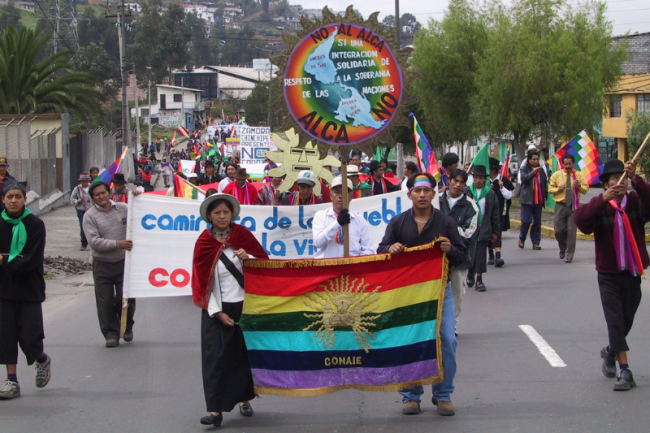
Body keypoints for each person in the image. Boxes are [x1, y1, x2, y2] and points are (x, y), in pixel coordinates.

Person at [377, 173, 465, 417]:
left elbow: (462, 254)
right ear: (410, 195)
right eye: (418, 191)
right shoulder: (397, 223)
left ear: (433, 194)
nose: (422, 195)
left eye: (427, 191)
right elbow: (381, 250)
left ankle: (443, 394)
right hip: (408, 295)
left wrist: (450, 249)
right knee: (409, 341)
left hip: (440, 292)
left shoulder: (445, 223)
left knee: (447, 340)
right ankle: (411, 396)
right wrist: (389, 248)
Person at [191, 193, 269, 427]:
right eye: (217, 213)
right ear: (210, 216)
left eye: (226, 212)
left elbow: (263, 264)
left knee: (241, 355)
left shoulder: (243, 236)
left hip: (245, 306)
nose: (222, 216)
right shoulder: (204, 242)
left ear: (232, 214)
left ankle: (244, 398)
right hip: (216, 309)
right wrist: (216, 312)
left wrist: (249, 258)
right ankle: (215, 410)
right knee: (215, 359)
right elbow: (200, 282)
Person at [574, 159, 650, 391]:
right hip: (608, 274)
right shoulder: (600, 205)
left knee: (626, 318)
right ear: (605, 184)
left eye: (623, 179)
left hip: (632, 272)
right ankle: (625, 371)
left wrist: (637, 179)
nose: (618, 184)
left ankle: (609, 352)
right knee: (615, 320)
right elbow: (581, 222)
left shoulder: (635, 202)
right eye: (613, 180)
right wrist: (602, 199)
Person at [0, 181, 51, 399]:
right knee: (6, 336)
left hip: (29, 289)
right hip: (3, 290)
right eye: (9, 196)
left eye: (17, 197)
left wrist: (3, 260)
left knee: (30, 337)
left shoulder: (35, 225)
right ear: (3, 199)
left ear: (25, 199)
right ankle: (12, 381)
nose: (13, 200)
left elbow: (32, 260)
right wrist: (11, 261)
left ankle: (41, 359)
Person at [83, 181, 137, 347]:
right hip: (102, 264)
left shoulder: (124, 209)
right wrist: (118, 243)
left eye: (103, 192)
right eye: (97, 195)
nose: (101, 196)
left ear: (109, 192)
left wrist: (138, 197)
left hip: (124, 262)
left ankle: (126, 326)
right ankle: (111, 333)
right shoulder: (89, 217)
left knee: (126, 297)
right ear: (93, 199)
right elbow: (94, 242)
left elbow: (140, 218)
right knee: (105, 300)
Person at [439, 169, 478, 328]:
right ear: (449, 180)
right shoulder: (436, 201)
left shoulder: (471, 206)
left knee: (457, 293)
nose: (458, 185)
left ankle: (452, 324)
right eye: (455, 181)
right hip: (436, 256)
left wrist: (450, 231)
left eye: (462, 182)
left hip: (460, 258)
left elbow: (470, 233)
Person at [312, 176, 374, 258]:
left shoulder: (359, 220)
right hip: (327, 268)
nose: (340, 196)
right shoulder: (320, 216)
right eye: (337, 192)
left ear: (351, 197)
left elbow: (368, 250)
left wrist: (355, 263)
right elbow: (318, 243)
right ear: (331, 196)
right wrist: (337, 223)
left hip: (351, 268)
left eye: (344, 192)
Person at [464, 165, 500, 291]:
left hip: (483, 227)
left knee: (480, 254)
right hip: (469, 228)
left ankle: (479, 280)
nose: (478, 180)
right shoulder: (466, 192)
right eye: (476, 177)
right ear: (473, 178)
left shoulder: (490, 194)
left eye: (481, 178)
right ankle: (470, 273)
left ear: (485, 179)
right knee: (470, 253)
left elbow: (495, 214)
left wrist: (495, 231)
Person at [548, 154, 589, 263]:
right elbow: (550, 189)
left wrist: (579, 185)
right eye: (565, 164)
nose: (567, 166)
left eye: (569, 164)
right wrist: (558, 189)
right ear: (562, 164)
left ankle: (569, 254)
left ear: (573, 164)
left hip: (573, 206)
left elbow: (585, 189)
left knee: (571, 231)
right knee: (558, 231)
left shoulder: (578, 175)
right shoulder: (557, 175)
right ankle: (563, 247)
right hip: (560, 206)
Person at [487, 158, 514, 267]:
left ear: (494, 170)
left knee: (497, 232)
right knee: (488, 232)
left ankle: (498, 256)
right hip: (487, 212)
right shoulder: (485, 181)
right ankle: (490, 255)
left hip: (499, 212)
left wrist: (502, 188)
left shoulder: (503, 180)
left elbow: (509, 196)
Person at [518, 151, 547, 250]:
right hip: (527, 199)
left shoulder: (541, 170)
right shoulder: (524, 168)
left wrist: (545, 195)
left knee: (537, 222)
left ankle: (536, 242)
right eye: (533, 159)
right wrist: (534, 172)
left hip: (538, 199)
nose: (535, 161)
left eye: (537, 159)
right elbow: (524, 179)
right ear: (529, 160)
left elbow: (544, 183)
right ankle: (522, 238)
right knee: (526, 221)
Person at [70, 173, 93, 251]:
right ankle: (84, 243)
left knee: (92, 227)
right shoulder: (77, 189)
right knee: (83, 227)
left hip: (91, 210)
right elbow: (71, 199)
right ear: (80, 182)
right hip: (81, 211)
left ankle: (93, 243)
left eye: (86, 182)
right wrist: (77, 201)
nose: (85, 184)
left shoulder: (92, 187)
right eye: (83, 182)